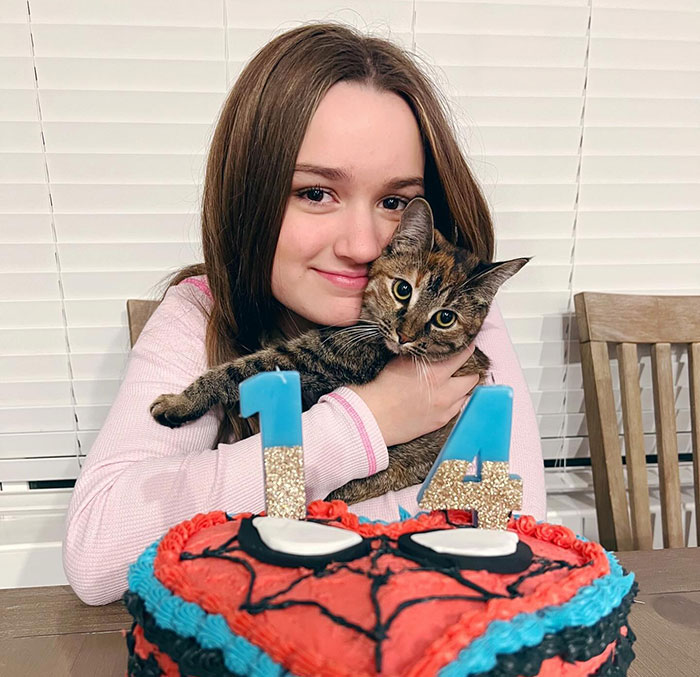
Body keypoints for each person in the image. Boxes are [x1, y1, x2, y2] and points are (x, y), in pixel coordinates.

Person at [63, 23, 545, 605]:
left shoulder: (460, 321)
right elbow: (97, 558)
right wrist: (359, 423)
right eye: (316, 193)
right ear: (251, 196)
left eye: (394, 202)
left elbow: (526, 544)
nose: (363, 245)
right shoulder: (200, 315)